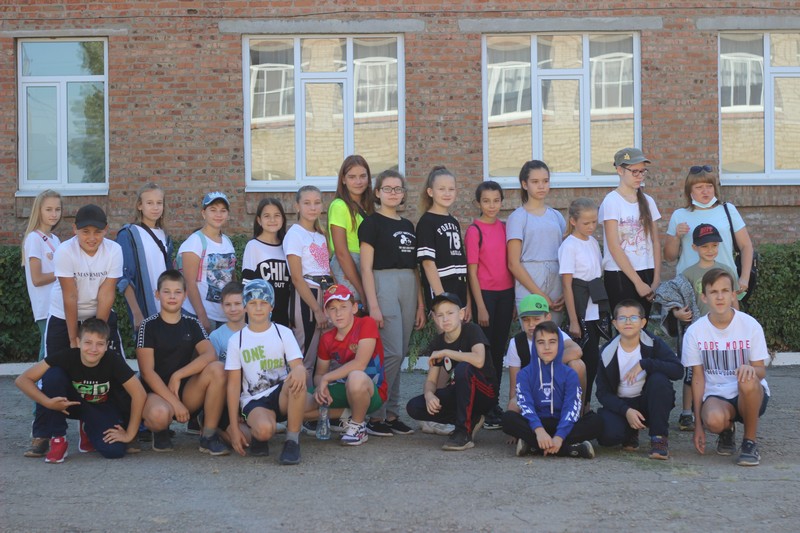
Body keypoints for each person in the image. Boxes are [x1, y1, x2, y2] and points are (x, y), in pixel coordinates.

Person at [26, 204, 126, 458]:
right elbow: (70, 296)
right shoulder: (65, 251)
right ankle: (45, 433)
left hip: (98, 313)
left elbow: (107, 293)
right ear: (74, 230)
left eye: (97, 232)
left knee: (108, 368)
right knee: (52, 373)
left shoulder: (114, 250)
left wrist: (97, 336)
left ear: (106, 230)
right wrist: (74, 339)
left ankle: (93, 425)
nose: (91, 238)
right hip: (63, 315)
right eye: (85, 232)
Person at [16, 318, 146, 462]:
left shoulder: (112, 360)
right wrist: (48, 403)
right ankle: (59, 438)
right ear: (78, 342)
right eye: (88, 342)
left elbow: (139, 393)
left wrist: (129, 434)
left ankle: (87, 428)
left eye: (100, 344)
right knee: (53, 375)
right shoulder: (66, 356)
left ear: (106, 345)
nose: (93, 349)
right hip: (69, 404)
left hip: (100, 407)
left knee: (114, 451)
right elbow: (22, 380)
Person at [359, 170, 425, 437]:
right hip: (383, 282)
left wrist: (420, 304)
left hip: (408, 285)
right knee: (392, 352)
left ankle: (392, 413)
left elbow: (415, 268)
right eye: (387, 189)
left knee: (401, 350)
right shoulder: (371, 224)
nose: (393, 193)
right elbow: (365, 268)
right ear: (377, 193)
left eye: (398, 189)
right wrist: (373, 305)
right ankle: (375, 414)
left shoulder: (408, 225)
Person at [682, 268, 769, 467]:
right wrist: (698, 425)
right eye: (713, 292)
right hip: (717, 395)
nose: (720, 297)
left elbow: (761, 371)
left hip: (750, 393)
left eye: (725, 291)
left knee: (747, 378)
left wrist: (751, 370)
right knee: (713, 420)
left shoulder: (750, 325)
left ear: (733, 295)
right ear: (704, 297)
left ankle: (749, 443)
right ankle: (726, 429)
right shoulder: (695, 332)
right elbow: (697, 378)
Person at [137, 270, 230, 455]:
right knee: (159, 415)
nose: (172, 296)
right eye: (167, 292)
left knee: (218, 368)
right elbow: (147, 372)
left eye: (177, 292)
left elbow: (210, 354)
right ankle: (160, 431)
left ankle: (208, 435)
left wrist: (178, 375)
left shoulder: (192, 324)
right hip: (156, 392)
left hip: (186, 391)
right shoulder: (148, 325)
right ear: (157, 294)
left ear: (185, 295)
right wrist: (175, 403)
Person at [225, 279, 308, 464]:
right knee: (264, 430)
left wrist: (300, 370)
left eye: (263, 302)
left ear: (271, 306)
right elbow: (233, 385)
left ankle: (292, 441)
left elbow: (298, 366)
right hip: (255, 400)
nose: (258, 308)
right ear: (245, 307)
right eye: (252, 303)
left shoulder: (283, 332)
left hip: (282, 394)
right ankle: (258, 434)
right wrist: (234, 425)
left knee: (299, 376)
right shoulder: (236, 340)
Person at [406, 292, 497, 451]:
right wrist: (429, 395)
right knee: (415, 406)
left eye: (450, 313)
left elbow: (479, 359)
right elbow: (431, 381)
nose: (445, 319)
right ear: (434, 318)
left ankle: (463, 433)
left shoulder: (472, 330)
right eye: (440, 315)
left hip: (484, 393)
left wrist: (447, 352)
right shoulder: (438, 343)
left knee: (464, 368)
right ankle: (470, 419)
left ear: (461, 314)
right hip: (461, 393)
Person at [595, 300, 683, 460]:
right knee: (607, 437)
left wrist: (645, 364)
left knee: (659, 380)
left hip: (648, 402)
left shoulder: (654, 343)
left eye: (634, 318)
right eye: (622, 318)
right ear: (615, 324)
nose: (628, 322)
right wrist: (625, 411)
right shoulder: (606, 352)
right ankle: (630, 431)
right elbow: (602, 393)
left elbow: (678, 370)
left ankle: (659, 438)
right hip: (622, 404)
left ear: (643, 322)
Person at [501, 321, 602, 459]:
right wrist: (539, 430)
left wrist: (559, 436)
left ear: (560, 345)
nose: (547, 347)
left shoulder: (569, 374)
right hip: (537, 422)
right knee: (508, 419)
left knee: (597, 422)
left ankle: (533, 446)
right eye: (541, 342)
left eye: (552, 342)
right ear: (534, 345)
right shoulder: (525, 374)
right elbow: (525, 405)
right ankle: (571, 449)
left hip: (563, 421)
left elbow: (571, 406)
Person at [309, 284, 387, 446]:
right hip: (342, 386)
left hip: (371, 390)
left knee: (356, 377)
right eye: (332, 309)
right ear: (326, 312)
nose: (338, 313)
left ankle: (358, 426)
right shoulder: (327, 338)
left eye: (343, 307)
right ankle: (345, 415)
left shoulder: (366, 323)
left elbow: (360, 364)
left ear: (354, 308)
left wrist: (326, 379)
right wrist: (321, 387)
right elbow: (319, 374)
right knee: (298, 403)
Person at [465, 180, 515, 430]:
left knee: (498, 352)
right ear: (478, 203)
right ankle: (482, 406)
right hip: (485, 295)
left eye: (496, 201)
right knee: (483, 354)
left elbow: (511, 265)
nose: (492, 205)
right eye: (486, 201)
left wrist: (513, 300)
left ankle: (493, 404)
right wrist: (480, 306)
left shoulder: (505, 228)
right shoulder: (474, 231)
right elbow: (472, 273)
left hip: (506, 295)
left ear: (502, 202)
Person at [664, 164, 754, 299]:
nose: (705, 191)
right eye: (699, 187)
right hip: (690, 286)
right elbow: (669, 257)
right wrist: (676, 237)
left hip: (724, 283)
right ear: (689, 191)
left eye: (709, 186)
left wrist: (744, 278)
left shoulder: (728, 210)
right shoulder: (679, 215)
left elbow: (746, 246)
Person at [559, 197, 609, 410]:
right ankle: (578, 405)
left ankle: (586, 404)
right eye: (586, 223)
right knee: (585, 358)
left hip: (595, 304)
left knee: (594, 358)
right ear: (573, 221)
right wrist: (573, 320)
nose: (591, 227)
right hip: (580, 307)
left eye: (594, 222)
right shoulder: (569, 246)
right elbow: (567, 284)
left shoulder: (592, 242)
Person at [599, 148, 661, 318]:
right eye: (634, 172)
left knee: (642, 323)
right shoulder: (612, 201)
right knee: (625, 324)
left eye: (643, 171)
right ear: (620, 170)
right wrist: (638, 283)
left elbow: (655, 242)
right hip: (620, 274)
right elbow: (614, 246)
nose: (640, 176)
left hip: (646, 270)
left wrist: (656, 279)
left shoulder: (648, 201)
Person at [283, 185, 334, 387]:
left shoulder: (321, 234)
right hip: (307, 295)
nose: (312, 207)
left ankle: (319, 401)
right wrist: (316, 310)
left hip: (326, 293)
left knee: (325, 355)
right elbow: (297, 277)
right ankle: (301, 402)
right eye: (307, 203)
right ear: (297, 206)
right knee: (306, 356)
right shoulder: (295, 234)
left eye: (317, 203)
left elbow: (326, 268)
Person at [507, 160, 566, 324]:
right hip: (529, 285)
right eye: (535, 182)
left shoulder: (556, 216)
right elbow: (513, 263)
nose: (541, 186)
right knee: (533, 333)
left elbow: (566, 254)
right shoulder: (518, 217)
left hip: (556, 284)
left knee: (553, 335)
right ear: (524, 184)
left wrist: (565, 291)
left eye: (545, 181)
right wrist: (540, 294)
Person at [503, 294, 584, 414]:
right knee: (513, 406)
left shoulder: (556, 334)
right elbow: (514, 387)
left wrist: (546, 364)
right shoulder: (516, 343)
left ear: (548, 318)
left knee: (578, 364)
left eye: (536, 319)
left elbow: (576, 351)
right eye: (526, 320)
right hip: (532, 391)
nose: (531, 324)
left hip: (557, 389)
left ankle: (577, 415)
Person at [116, 183, 173, 336]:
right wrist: (136, 313)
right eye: (149, 203)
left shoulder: (165, 236)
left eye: (159, 203)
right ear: (139, 205)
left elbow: (170, 275)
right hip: (144, 307)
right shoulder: (128, 234)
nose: (155, 207)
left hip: (167, 306)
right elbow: (125, 278)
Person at [178, 191, 236, 333]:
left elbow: (232, 277)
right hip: (200, 314)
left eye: (223, 210)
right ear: (204, 213)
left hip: (224, 315)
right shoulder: (195, 241)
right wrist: (202, 316)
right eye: (213, 210)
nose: (218, 214)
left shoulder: (227, 241)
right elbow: (189, 282)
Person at [416, 166, 470, 317]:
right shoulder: (426, 222)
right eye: (441, 189)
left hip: (459, 287)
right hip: (441, 287)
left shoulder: (454, 221)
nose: (447, 193)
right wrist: (442, 297)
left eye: (451, 189)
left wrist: (467, 301)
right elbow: (428, 263)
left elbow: (461, 262)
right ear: (430, 192)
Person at [21, 189, 62, 362]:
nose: (54, 214)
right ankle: (36, 380)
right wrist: (63, 273)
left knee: (52, 351)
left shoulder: (55, 239)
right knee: (47, 353)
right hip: (45, 307)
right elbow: (37, 279)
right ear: (39, 211)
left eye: (57, 209)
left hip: (58, 305)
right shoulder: (34, 238)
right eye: (49, 209)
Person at [327, 155, 374, 305]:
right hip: (348, 268)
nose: (358, 182)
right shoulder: (339, 206)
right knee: (352, 315)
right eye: (352, 177)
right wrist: (362, 290)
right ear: (343, 179)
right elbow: (341, 252)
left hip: (366, 264)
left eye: (362, 176)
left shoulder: (368, 207)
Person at [242, 198, 292, 328]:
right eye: (267, 216)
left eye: (277, 215)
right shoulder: (253, 246)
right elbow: (246, 286)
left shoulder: (287, 247)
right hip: (260, 316)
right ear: (259, 220)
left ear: (283, 219)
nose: (272, 220)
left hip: (284, 315)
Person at [208, 281, 245, 362]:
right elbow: (213, 366)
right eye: (228, 304)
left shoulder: (255, 332)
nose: (233, 309)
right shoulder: (216, 336)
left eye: (237, 303)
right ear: (222, 306)